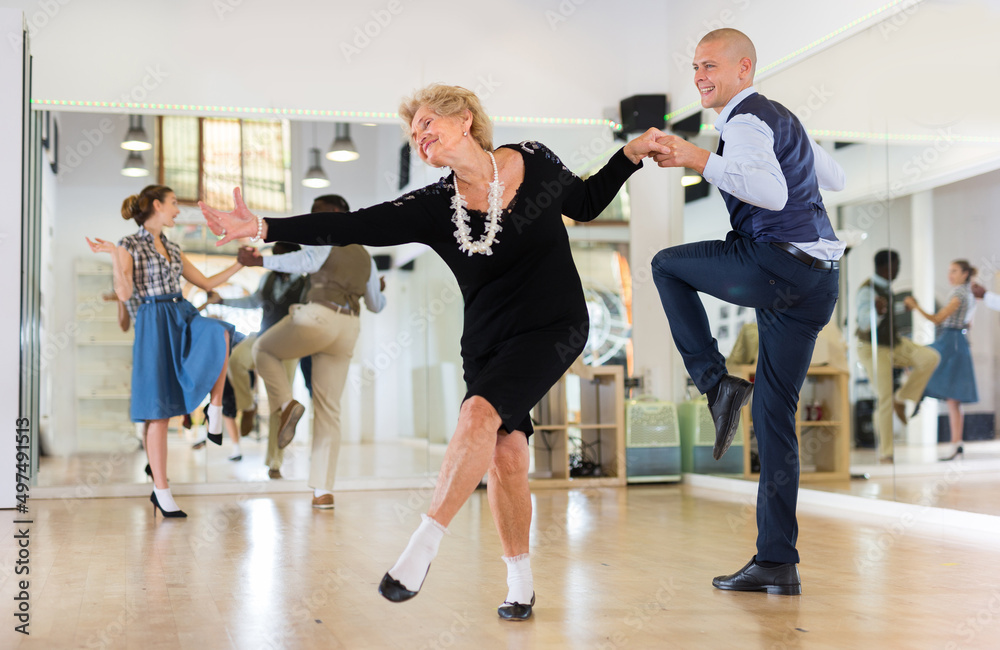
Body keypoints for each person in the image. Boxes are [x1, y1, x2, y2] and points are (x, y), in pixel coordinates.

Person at [200, 84, 668, 619]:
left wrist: (628, 156)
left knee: (478, 413)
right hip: (488, 341)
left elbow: (585, 202)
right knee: (507, 456)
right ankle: (521, 584)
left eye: (426, 124)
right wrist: (263, 227)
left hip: (554, 326)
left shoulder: (533, 159)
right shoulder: (433, 205)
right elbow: (353, 226)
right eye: (413, 134)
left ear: (464, 120)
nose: (420, 138)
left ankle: (422, 546)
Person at [649, 28, 845, 595]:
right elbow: (837, 178)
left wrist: (696, 158)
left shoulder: (743, 121)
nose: (699, 76)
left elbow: (772, 194)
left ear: (744, 68)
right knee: (775, 417)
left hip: (776, 265)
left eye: (709, 65)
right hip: (817, 282)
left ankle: (715, 384)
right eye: (694, 67)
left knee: (665, 265)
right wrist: (791, 149)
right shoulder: (780, 119)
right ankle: (777, 562)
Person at [87, 184, 242, 517]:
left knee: (220, 332)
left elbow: (208, 283)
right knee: (158, 410)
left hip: (181, 313)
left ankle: (215, 408)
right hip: (154, 322)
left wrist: (242, 264)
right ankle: (161, 489)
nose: (176, 210)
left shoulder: (172, 246)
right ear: (157, 205)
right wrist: (115, 256)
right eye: (173, 204)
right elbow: (126, 293)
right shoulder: (128, 244)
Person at [237, 195, 385, 495]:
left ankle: (286, 403)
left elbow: (306, 261)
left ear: (332, 214)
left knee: (262, 349)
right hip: (349, 326)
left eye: (317, 214)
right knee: (329, 410)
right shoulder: (365, 257)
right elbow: (376, 305)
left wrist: (259, 260)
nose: (313, 220)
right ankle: (323, 491)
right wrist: (380, 287)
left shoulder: (325, 236)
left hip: (320, 315)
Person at [205, 241, 309, 476]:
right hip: (262, 338)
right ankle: (247, 406)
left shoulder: (305, 284)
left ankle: (275, 462)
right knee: (236, 361)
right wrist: (222, 301)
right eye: (275, 257)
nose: (277, 262)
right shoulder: (268, 279)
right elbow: (253, 302)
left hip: (288, 347)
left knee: (279, 402)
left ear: (293, 258)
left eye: (281, 257)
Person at [855, 249, 941, 462]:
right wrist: (877, 312)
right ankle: (886, 452)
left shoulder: (888, 289)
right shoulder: (867, 290)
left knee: (930, 357)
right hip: (872, 347)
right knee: (884, 398)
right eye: (896, 266)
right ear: (883, 267)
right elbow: (865, 323)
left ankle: (902, 398)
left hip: (894, 343)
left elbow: (889, 313)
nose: (898, 270)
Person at [905, 260, 978, 461]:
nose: (950, 275)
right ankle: (957, 444)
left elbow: (937, 319)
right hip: (959, 341)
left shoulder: (958, 294)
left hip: (949, 340)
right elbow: (969, 324)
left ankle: (919, 393)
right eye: (949, 271)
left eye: (954, 271)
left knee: (915, 360)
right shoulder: (970, 294)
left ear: (965, 273)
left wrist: (916, 306)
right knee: (954, 400)